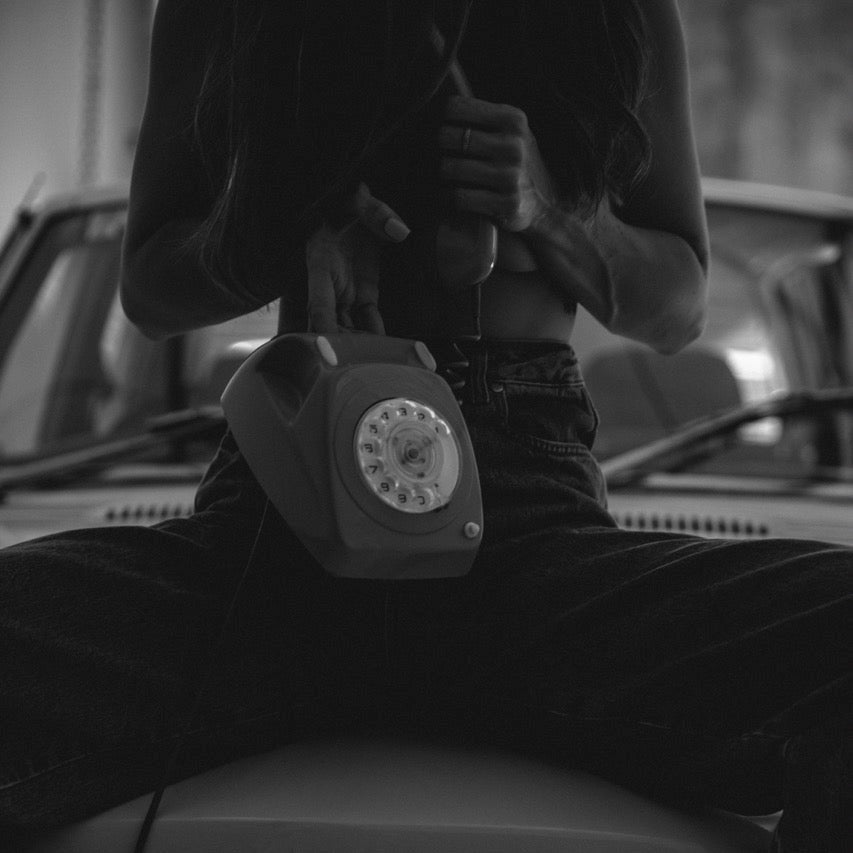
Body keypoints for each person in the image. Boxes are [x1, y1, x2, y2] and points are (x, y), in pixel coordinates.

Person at [0, 1, 849, 849]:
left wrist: (549, 211)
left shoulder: (623, 11)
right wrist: (281, 231)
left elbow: (678, 307)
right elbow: (150, 285)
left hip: (524, 539)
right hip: (272, 531)